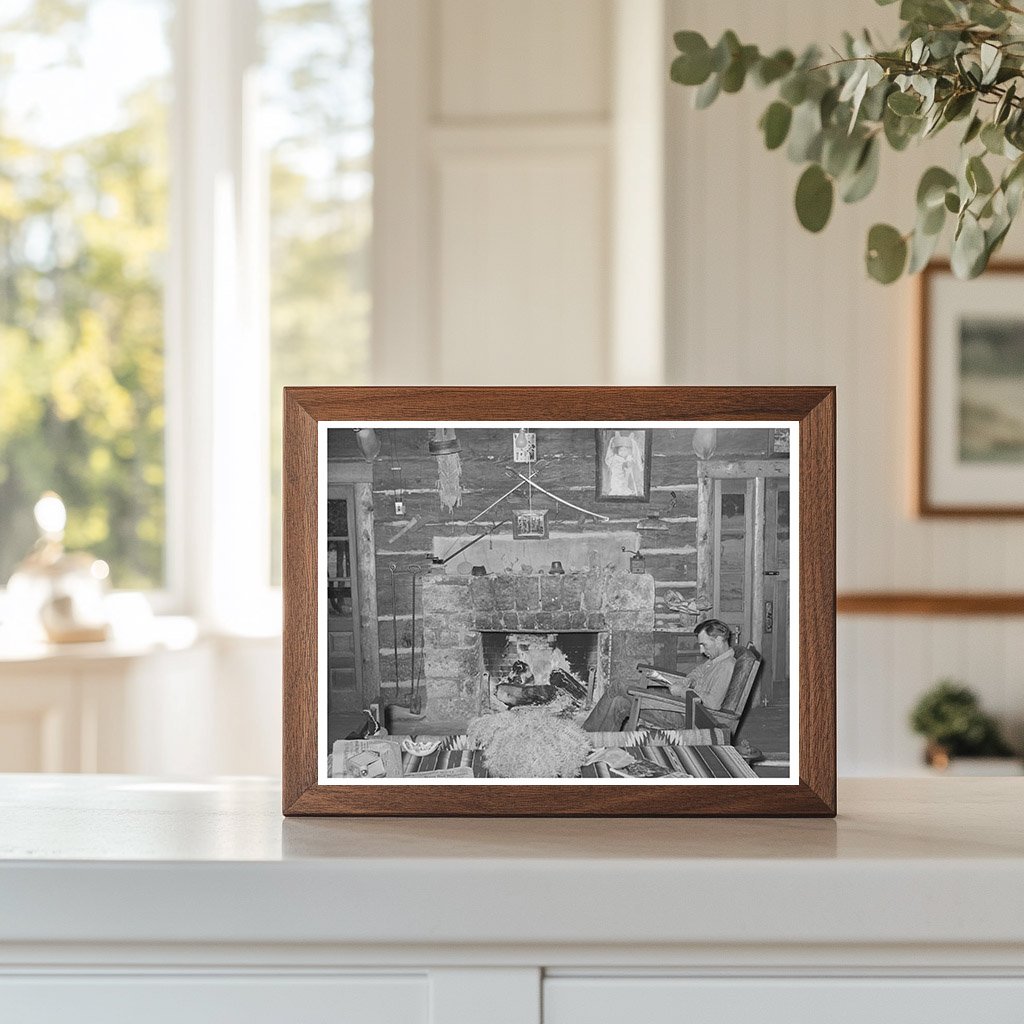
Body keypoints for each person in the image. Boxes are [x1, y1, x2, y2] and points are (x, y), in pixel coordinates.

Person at [582, 619, 736, 732]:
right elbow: (697, 672)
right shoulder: (714, 660)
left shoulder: (726, 666)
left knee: (618, 685)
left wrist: (682, 691)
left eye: (704, 645)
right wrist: (689, 681)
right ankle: (601, 743)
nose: (702, 651)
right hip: (682, 706)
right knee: (619, 703)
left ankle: (583, 736)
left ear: (719, 640)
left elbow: (713, 704)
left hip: (686, 716)